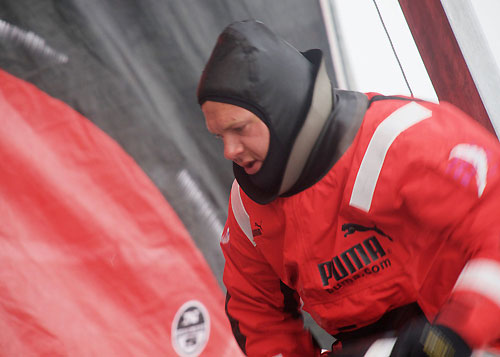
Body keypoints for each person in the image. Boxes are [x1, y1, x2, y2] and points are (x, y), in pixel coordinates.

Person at [197, 19, 500, 357]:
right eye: (220, 136)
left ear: (278, 110)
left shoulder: (405, 141)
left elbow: (495, 222)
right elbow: (256, 313)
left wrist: (452, 336)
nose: (230, 151)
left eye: (239, 129)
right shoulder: (247, 210)